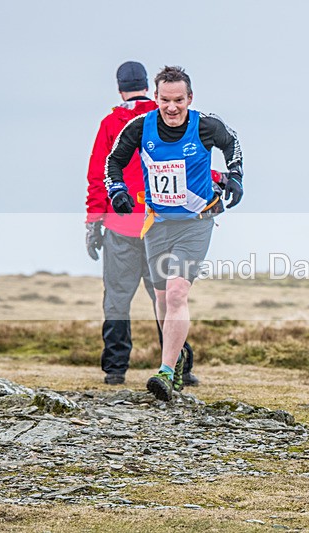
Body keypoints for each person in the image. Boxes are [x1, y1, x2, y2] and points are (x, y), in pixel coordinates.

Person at [105, 66, 244, 400]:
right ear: (156, 98)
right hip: (157, 224)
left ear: (189, 98)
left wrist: (235, 177)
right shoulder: (140, 127)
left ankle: (165, 372)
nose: (171, 107)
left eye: (178, 100)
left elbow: (233, 144)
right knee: (164, 299)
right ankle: (178, 355)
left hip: (196, 223)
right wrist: (118, 191)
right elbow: (114, 161)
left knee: (178, 293)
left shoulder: (206, 125)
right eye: (165, 100)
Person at [86, 61, 201, 387]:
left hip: (121, 227)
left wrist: (94, 221)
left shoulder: (111, 123)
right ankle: (180, 367)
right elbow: (191, 165)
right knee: (168, 299)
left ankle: (115, 370)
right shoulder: (166, 117)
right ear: (149, 89)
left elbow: (99, 175)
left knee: (118, 299)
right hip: (163, 224)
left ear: (120, 87)